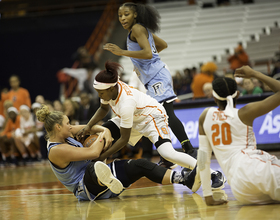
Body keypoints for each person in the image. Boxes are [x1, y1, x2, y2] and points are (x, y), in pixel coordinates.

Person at [77, 61, 225, 190]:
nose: (99, 96)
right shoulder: (110, 89)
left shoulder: (126, 102)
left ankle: (213, 174)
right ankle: (99, 175)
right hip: (136, 117)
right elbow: (103, 109)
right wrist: (88, 126)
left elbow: (123, 139)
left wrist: (102, 155)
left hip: (153, 118)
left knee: (168, 153)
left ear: (110, 89)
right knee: (102, 134)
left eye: (100, 93)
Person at [36, 104, 199, 201]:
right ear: (58, 127)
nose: (70, 126)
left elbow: (89, 127)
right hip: (86, 189)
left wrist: (104, 131)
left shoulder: (67, 133)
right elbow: (93, 153)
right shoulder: (56, 151)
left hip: (101, 180)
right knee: (95, 166)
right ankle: (106, 179)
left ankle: (185, 179)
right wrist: (103, 135)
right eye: (67, 123)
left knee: (139, 164)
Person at [103, 2, 196, 168]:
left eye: (126, 14)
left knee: (166, 114)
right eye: (120, 15)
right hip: (154, 78)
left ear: (135, 15)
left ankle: (189, 149)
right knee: (159, 115)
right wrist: (138, 62)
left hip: (157, 77)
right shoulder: (139, 29)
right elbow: (162, 45)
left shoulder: (137, 29)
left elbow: (147, 53)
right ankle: (168, 156)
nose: (123, 18)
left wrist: (122, 52)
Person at [195, 66, 280, 205]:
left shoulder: (205, 116)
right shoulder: (245, 112)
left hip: (239, 190)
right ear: (238, 95)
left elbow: (203, 158)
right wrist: (254, 73)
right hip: (252, 167)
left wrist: (208, 196)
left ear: (215, 98)